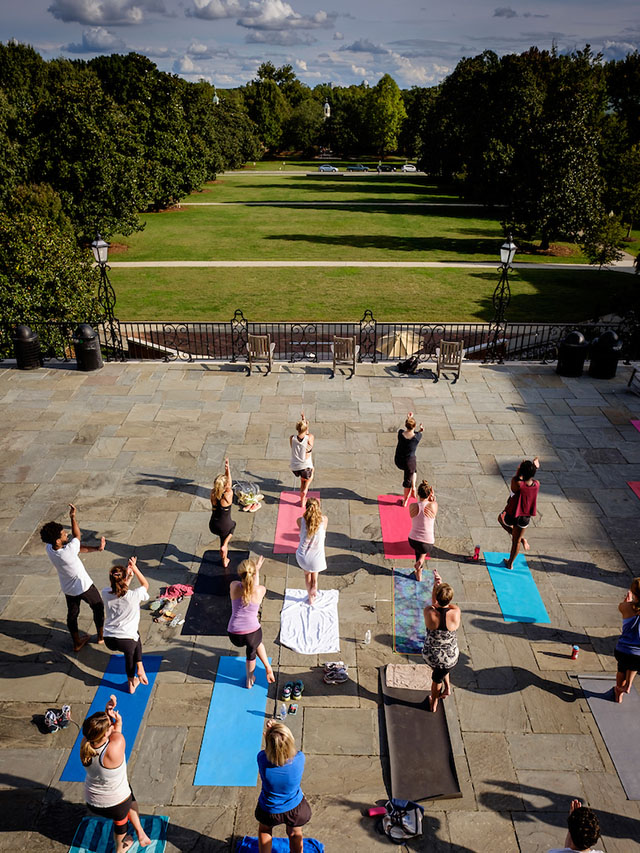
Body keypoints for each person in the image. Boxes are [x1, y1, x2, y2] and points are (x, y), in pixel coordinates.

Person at [81, 695, 151, 852]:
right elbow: (116, 732)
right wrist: (117, 721)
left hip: (92, 800)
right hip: (115, 804)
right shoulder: (115, 745)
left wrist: (107, 712)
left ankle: (140, 832)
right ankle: (121, 849)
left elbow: (100, 731)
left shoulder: (85, 743)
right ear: (106, 734)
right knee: (121, 823)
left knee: (130, 794)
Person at [40, 503, 106, 652]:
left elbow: (76, 549)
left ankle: (77, 642)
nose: (66, 534)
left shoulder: (50, 548)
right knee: (98, 607)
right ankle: (101, 637)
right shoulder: (68, 551)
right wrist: (73, 517)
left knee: (73, 614)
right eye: (63, 534)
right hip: (84, 586)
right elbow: (77, 536)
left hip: (68, 588)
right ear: (57, 540)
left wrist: (97, 549)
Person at [255, 719, 311, 853]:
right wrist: (275, 730)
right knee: (295, 833)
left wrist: (270, 734)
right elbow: (287, 749)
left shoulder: (262, 759)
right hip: (295, 808)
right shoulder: (299, 758)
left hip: (269, 809)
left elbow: (267, 752)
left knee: (265, 830)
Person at [102, 557, 149, 694]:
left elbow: (119, 591)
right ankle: (134, 679)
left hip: (109, 639)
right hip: (127, 642)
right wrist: (134, 568)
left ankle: (134, 676)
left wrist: (128, 577)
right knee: (134, 638)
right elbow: (145, 585)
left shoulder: (105, 593)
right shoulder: (135, 595)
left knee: (135, 636)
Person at [227, 556, 276, 689]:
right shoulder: (261, 590)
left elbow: (247, 586)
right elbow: (255, 587)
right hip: (252, 634)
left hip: (234, 634)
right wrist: (257, 571)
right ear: (253, 575)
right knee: (253, 649)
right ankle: (251, 679)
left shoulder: (233, 586)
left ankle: (264, 669)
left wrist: (255, 570)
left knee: (255, 643)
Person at [422, 570, 461, 712]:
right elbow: (444, 605)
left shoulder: (429, 612)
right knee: (444, 667)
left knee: (436, 679)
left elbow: (434, 605)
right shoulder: (456, 611)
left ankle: (434, 703)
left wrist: (436, 587)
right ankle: (448, 689)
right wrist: (440, 589)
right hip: (451, 656)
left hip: (433, 656)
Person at [498, 456, 540, 570]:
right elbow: (530, 477)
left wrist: (522, 468)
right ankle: (510, 563)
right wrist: (534, 468)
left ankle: (520, 538)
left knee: (500, 519)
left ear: (521, 471)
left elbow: (517, 478)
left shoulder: (517, 483)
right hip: (525, 516)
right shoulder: (536, 485)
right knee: (515, 542)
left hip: (512, 513)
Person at [295, 498, 327, 605]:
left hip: (302, 556)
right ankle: (315, 583)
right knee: (315, 569)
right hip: (317, 558)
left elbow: (304, 526)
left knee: (307, 574)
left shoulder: (300, 520)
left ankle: (310, 598)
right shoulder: (324, 520)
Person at [613, 577, 640, 703]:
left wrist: (628, 601)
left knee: (622, 669)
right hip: (639, 654)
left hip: (623, 650)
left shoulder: (624, 607)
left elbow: (624, 608)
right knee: (633, 666)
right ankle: (628, 685)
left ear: (633, 594)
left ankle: (619, 692)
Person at [408, 479, 438, 581]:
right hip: (428, 543)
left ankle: (419, 572)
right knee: (423, 548)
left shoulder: (412, 506)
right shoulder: (433, 506)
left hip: (412, 540)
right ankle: (421, 560)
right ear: (429, 494)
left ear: (418, 494)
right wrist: (432, 498)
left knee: (419, 546)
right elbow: (433, 503)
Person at [209, 457, 236, 567]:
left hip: (213, 524)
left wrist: (227, 469)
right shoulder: (228, 495)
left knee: (222, 534)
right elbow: (229, 483)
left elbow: (226, 483)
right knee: (233, 525)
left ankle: (223, 550)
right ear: (225, 486)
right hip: (224, 525)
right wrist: (228, 469)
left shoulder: (213, 493)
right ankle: (224, 550)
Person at [394, 412, 424, 506]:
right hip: (409, 462)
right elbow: (417, 433)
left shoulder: (400, 433)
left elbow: (409, 431)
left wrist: (409, 418)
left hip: (398, 460)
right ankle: (405, 501)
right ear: (414, 427)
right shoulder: (417, 437)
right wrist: (420, 430)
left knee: (413, 470)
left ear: (405, 425)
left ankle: (412, 486)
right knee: (408, 480)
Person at [289, 412, 314, 508]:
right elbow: (307, 435)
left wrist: (303, 419)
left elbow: (303, 434)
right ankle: (304, 493)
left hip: (295, 467)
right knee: (307, 481)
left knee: (302, 480)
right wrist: (306, 425)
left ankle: (302, 501)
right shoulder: (310, 438)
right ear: (306, 428)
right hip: (306, 467)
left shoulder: (292, 438)